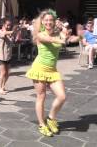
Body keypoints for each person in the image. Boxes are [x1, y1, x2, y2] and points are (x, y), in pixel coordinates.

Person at [25, 9, 67, 137]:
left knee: (62, 96)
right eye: (46, 20)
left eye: (51, 20)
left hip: (52, 71)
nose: (49, 22)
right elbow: (51, 40)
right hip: (39, 69)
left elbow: (65, 38)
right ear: (42, 22)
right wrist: (61, 38)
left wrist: (63, 31)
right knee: (41, 96)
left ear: (54, 22)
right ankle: (42, 125)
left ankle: (51, 118)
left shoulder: (57, 32)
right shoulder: (40, 34)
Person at [0, 18, 16, 95]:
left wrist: (13, 35)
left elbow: (12, 42)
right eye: (7, 24)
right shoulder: (0, 31)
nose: (8, 26)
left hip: (8, 55)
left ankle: (3, 86)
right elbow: (3, 34)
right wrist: (13, 31)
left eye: (10, 25)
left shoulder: (10, 33)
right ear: (3, 24)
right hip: (0, 55)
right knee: (3, 72)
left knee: (8, 73)